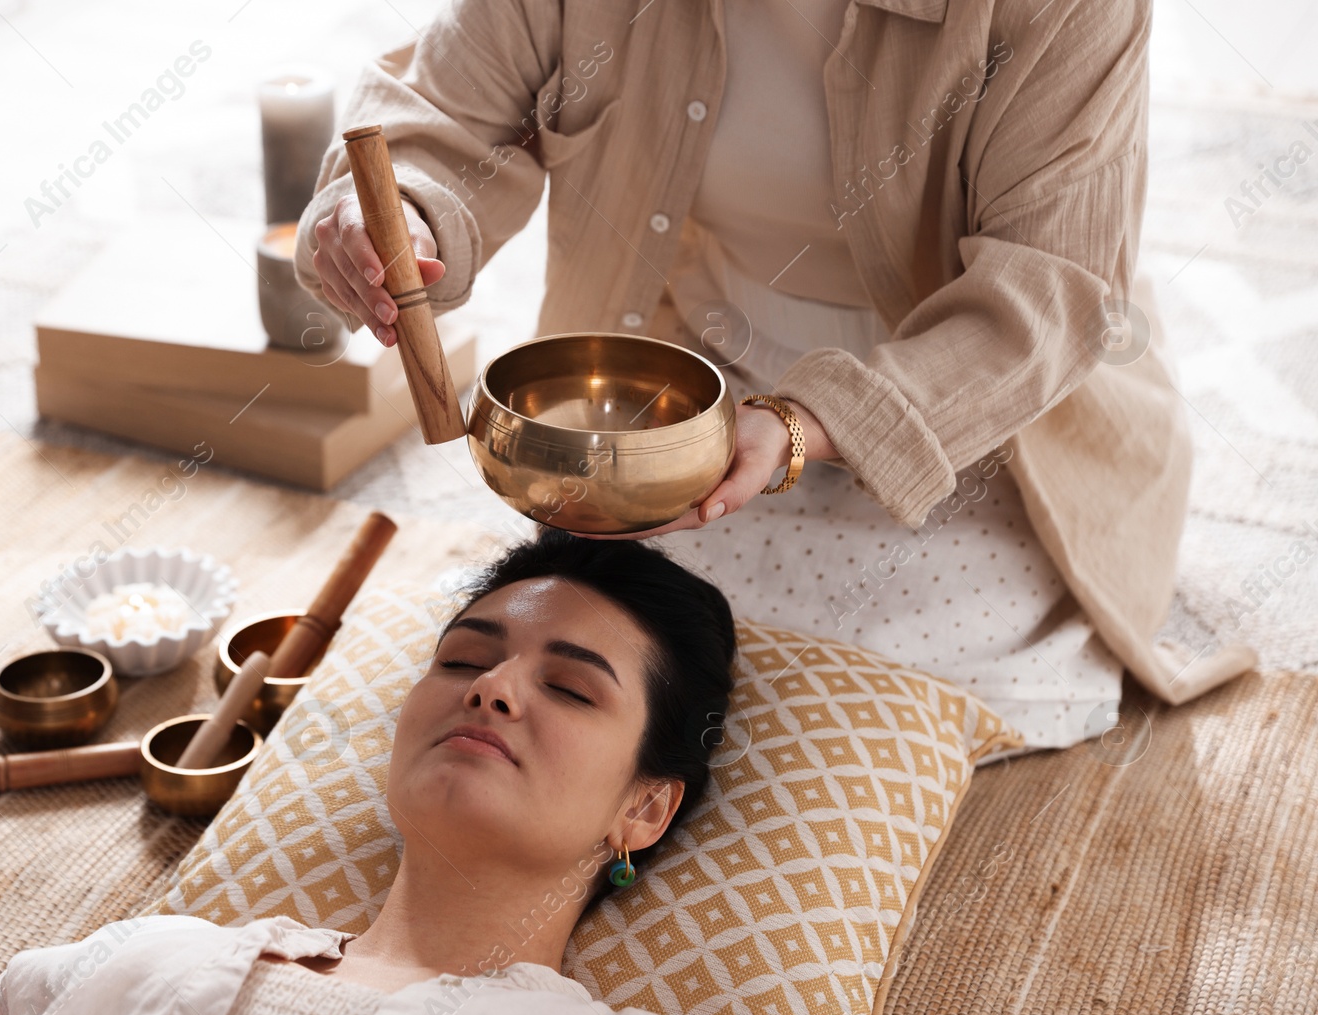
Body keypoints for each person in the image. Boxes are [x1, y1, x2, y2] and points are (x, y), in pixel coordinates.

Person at [296, 0, 1257, 758]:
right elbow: (440, 109)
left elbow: (1054, 290)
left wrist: (808, 423)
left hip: (978, 410)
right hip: (696, 363)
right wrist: (400, 214)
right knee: (621, 635)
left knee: (831, 678)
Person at [0, 529, 752, 1015]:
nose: (493, 687)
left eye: (571, 688)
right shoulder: (133, 959)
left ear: (644, 808)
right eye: (463, 660)